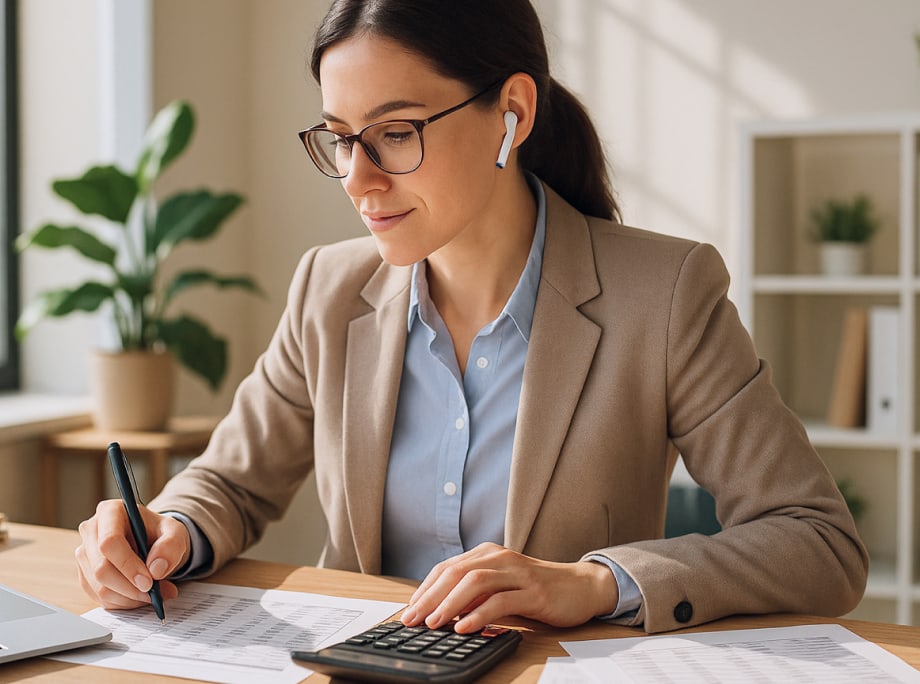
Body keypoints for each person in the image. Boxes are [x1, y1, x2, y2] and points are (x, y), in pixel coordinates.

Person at [75, 0, 868, 634]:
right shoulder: (329, 286)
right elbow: (231, 484)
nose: (358, 179)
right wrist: (168, 529)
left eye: (395, 134)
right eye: (341, 140)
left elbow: (818, 540)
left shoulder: (662, 293)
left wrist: (594, 584)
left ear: (512, 113)